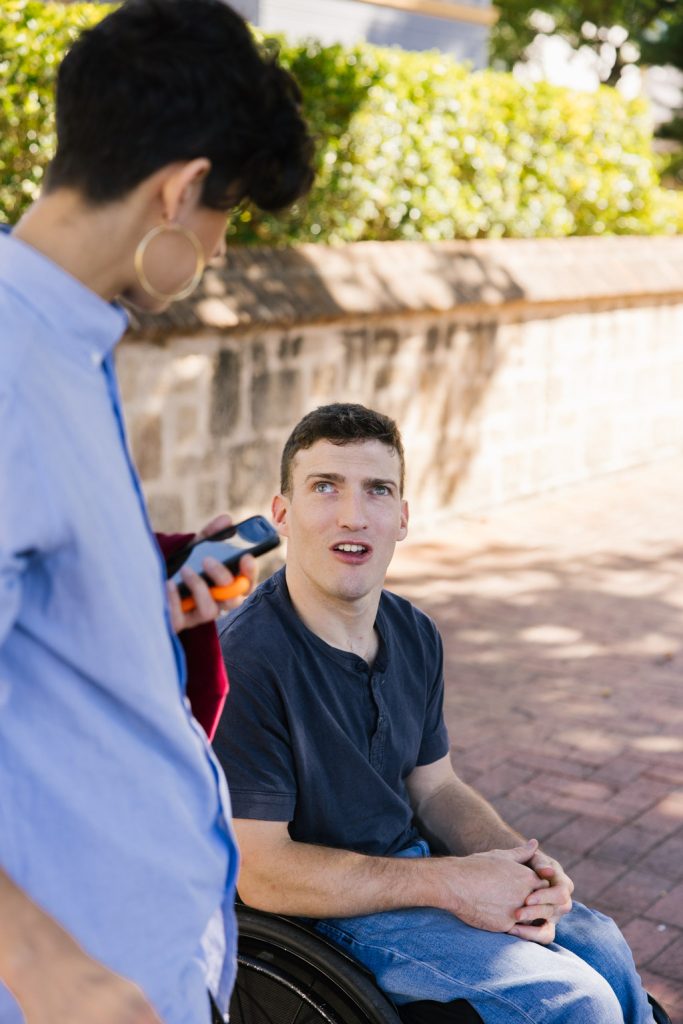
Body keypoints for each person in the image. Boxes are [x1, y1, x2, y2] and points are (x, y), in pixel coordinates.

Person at [0, 2, 314, 1023]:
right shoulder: (13, 368)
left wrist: (154, 603)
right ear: (180, 192)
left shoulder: (61, 344)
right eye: (224, 221)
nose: (218, 254)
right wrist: (57, 973)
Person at [213, 403, 661, 1024]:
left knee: (605, 946)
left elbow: (436, 786)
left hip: (409, 875)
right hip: (316, 913)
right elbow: (263, 874)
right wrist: (452, 883)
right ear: (283, 514)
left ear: (401, 518)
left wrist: (521, 861)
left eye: (377, 490)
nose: (352, 515)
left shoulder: (412, 630)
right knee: (571, 1002)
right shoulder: (245, 657)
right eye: (325, 487)